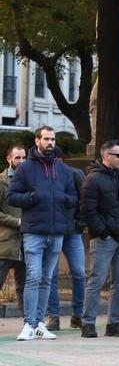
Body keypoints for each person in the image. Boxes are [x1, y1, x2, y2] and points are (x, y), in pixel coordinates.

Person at [7, 126, 78, 341]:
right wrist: (32, 197)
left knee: (47, 279)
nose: (50, 143)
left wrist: (64, 199)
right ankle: (28, 324)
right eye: (46, 139)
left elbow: (74, 196)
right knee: (34, 276)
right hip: (34, 231)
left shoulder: (63, 170)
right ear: (37, 141)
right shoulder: (26, 168)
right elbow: (11, 196)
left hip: (56, 232)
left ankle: (39, 323)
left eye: (53, 139)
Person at [79, 140, 119, 338]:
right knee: (96, 281)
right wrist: (103, 232)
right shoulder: (93, 179)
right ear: (107, 157)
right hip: (104, 239)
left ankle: (113, 323)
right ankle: (87, 323)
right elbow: (87, 210)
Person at [45, 161, 85, 331]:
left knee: (79, 273)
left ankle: (77, 315)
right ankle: (53, 316)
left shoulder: (74, 174)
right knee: (50, 276)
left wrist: (79, 224)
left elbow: (84, 200)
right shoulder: (43, 175)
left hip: (71, 231)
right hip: (51, 232)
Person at [0, 146, 26, 319]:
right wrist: (16, 222)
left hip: (26, 242)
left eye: (24, 158)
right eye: (17, 158)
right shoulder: (1, 181)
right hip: (6, 243)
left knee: (25, 286)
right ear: (9, 159)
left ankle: (29, 322)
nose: (21, 162)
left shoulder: (29, 181)